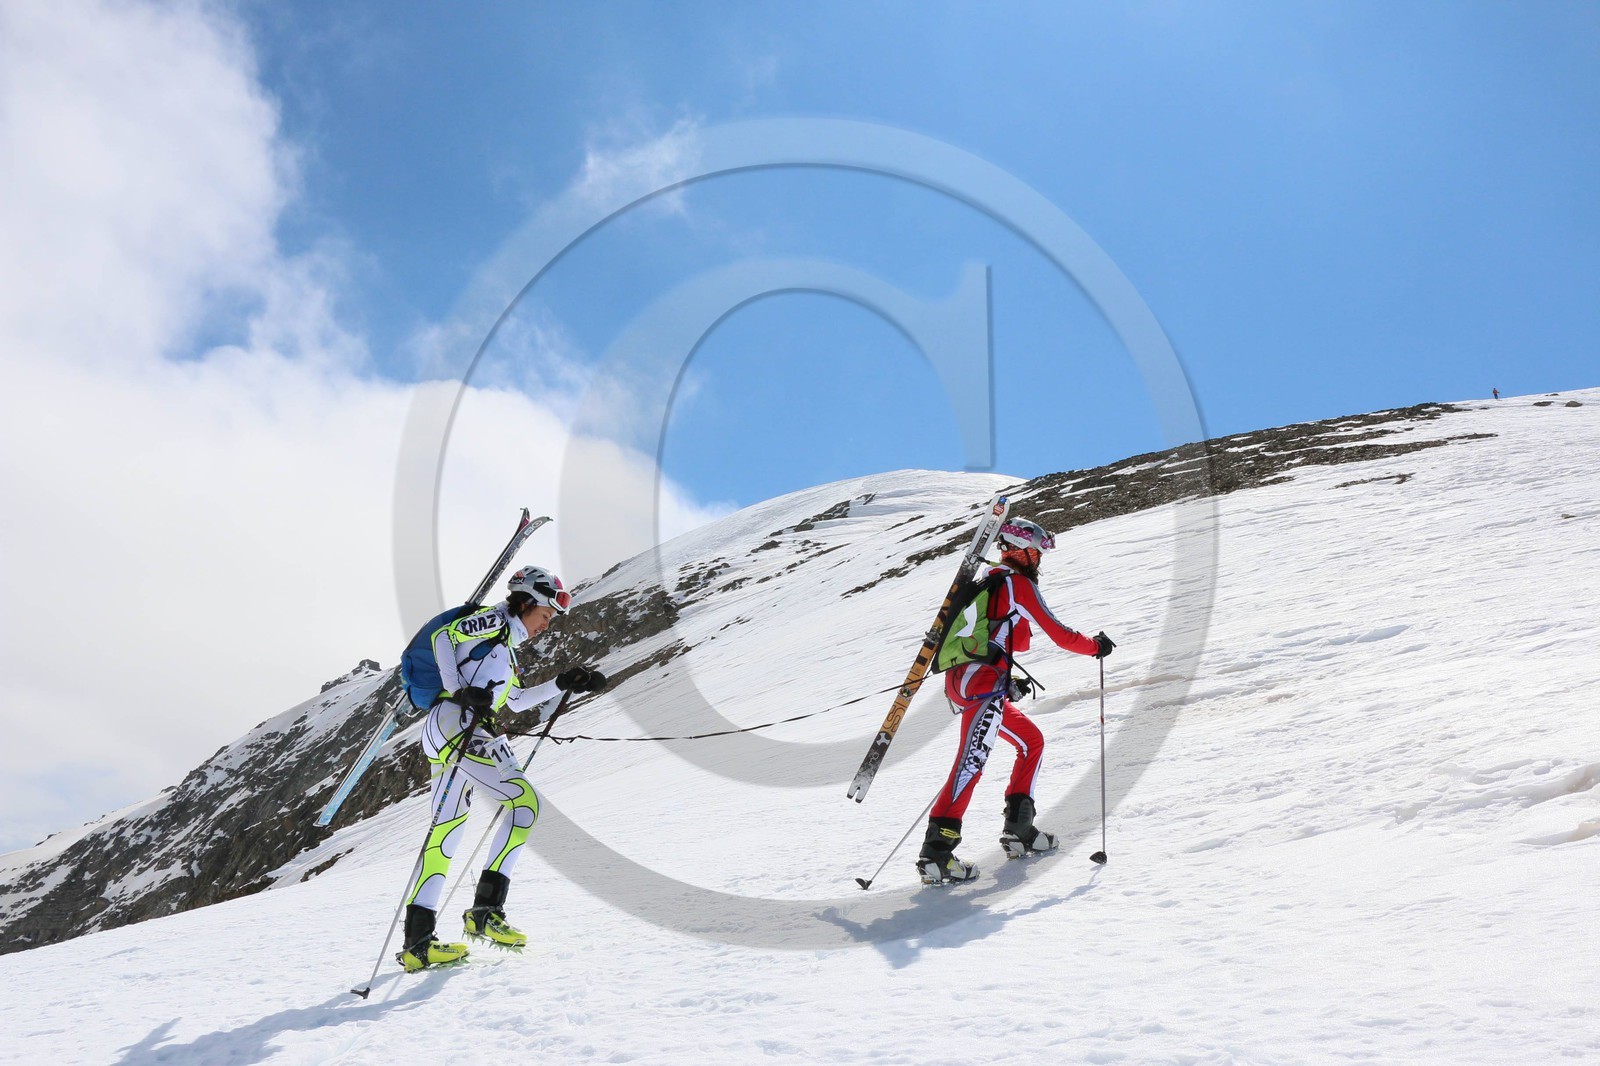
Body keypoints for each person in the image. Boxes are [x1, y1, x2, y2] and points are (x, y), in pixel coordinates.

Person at [399, 565, 608, 972]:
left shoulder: (505, 650)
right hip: (460, 723)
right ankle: (485, 913)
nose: (545, 626)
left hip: (452, 727)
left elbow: (515, 702)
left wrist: (564, 683)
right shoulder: (495, 620)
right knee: (525, 806)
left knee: (447, 832)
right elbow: (445, 637)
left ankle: (418, 943)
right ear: (526, 602)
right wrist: (458, 687)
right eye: (545, 615)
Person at [917, 518, 1114, 885]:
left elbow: (1004, 639)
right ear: (1018, 550)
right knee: (970, 764)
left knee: (1031, 740)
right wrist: (1095, 647)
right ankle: (937, 855)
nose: (1039, 559)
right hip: (981, 685)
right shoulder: (1016, 583)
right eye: (1036, 552)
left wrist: (1008, 680)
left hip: (970, 681)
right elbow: (1059, 633)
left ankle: (1019, 831)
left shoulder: (991, 582)